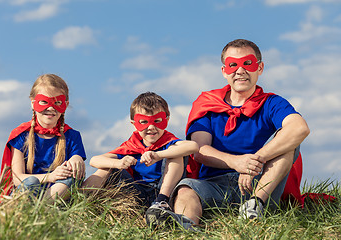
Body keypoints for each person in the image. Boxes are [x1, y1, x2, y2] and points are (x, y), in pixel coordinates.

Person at [148, 39, 310, 228]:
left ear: (260, 68)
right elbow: (199, 150)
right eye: (233, 64)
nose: (240, 71)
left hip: (260, 183)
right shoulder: (207, 104)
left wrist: (254, 162)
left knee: (289, 140)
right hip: (214, 185)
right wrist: (236, 162)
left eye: (247, 63)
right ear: (224, 71)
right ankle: (187, 227)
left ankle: (254, 207)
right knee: (185, 188)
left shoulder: (272, 103)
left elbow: (300, 128)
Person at [82, 92, 199, 227]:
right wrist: (119, 163)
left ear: (167, 119)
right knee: (105, 168)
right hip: (138, 192)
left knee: (175, 153)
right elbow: (94, 160)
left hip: (167, 191)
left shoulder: (169, 141)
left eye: (157, 121)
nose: (151, 127)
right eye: (143, 122)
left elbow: (193, 146)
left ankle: (162, 202)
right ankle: (81, 201)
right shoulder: (131, 145)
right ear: (134, 123)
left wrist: (159, 155)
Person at [0, 74, 86, 201]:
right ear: (33, 103)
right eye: (44, 102)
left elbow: (76, 165)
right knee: (31, 181)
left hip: (57, 195)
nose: (50, 108)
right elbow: (17, 178)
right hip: (28, 194)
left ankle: (41, 208)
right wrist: (50, 177)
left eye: (57, 103)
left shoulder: (72, 136)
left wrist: (76, 159)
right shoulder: (21, 135)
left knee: (72, 175)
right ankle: (36, 208)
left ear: (65, 105)